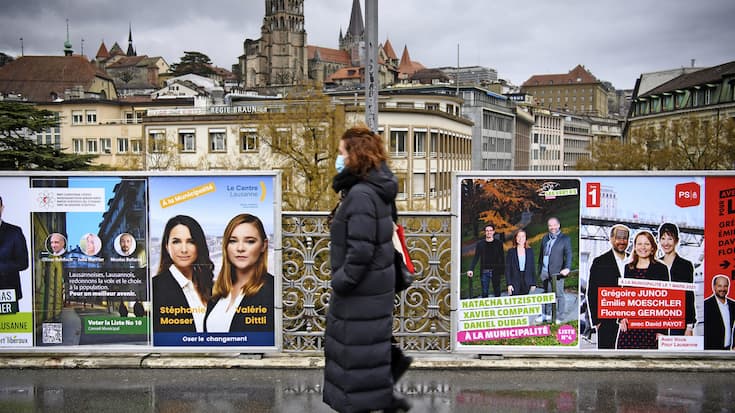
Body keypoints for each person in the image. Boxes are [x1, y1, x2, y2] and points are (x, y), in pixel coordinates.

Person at [323, 125, 410, 413]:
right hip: (374, 288)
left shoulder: (361, 195)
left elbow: (361, 249)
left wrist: (342, 281)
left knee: (355, 360)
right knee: (366, 357)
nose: (338, 159)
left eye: (341, 153)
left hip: (360, 291)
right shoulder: (374, 189)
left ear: (354, 156)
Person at [204, 213, 274, 333]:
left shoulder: (271, 290)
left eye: (250, 241)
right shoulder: (217, 291)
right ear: (226, 246)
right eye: (233, 241)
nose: (240, 248)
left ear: (263, 245)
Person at [152, 215, 214, 334]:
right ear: (166, 246)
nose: (184, 249)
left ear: (198, 246)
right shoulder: (155, 288)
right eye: (176, 242)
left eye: (191, 242)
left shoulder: (211, 287)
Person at [616, 231, 670, 350]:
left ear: (652, 247)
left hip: (652, 327)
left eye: (646, 244)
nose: (643, 247)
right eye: (639, 244)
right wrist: (621, 318)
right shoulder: (628, 268)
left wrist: (662, 330)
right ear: (635, 247)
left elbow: (666, 301)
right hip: (630, 326)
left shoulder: (661, 269)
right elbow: (625, 296)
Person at [587, 224, 630, 349]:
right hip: (606, 321)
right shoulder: (600, 262)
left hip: (631, 320)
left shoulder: (635, 261)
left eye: (625, 238)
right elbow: (592, 292)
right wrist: (597, 321)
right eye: (618, 238)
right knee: (606, 355)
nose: (622, 241)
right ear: (611, 239)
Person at [658, 223, 696, 336]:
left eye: (670, 239)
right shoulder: (654, 264)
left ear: (677, 240)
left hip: (679, 321)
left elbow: (689, 295)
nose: (666, 243)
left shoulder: (686, 265)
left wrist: (689, 326)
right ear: (658, 240)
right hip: (657, 322)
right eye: (663, 238)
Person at [536, 217, 573, 324]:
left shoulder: (565, 239)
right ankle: (547, 314)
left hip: (557, 272)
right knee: (547, 293)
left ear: (558, 225)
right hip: (545, 271)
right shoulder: (545, 238)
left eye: (554, 225)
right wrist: (539, 270)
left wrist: (567, 268)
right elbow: (541, 255)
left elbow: (569, 254)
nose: (552, 227)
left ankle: (560, 317)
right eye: (550, 225)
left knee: (559, 295)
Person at [0, 196, 29, 302]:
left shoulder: (14, 231)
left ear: (2, 208)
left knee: (9, 319)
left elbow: (23, 263)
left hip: (7, 292)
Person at [467, 224, 505, 298]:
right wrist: (471, 269)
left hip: (496, 271)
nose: (489, 232)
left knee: (497, 292)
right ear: (485, 232)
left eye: (490, 230)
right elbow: (476, 257)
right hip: (485, 272)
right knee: (484, 292)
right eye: (487, 231)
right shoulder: (480, 244)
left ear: (493, 232)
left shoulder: (498, 243)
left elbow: (502, 258)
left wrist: (502, 271)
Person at [704, 274, 735, 350]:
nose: (723, 289)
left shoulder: (733, 305)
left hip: (728, 350)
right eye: (720, 286)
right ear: (714, 287)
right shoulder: (706, 305)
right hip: (711, 351)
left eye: (725, 286)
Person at [505, 229, 536, 296]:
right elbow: (508, 269)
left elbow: (532, 267)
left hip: (527, 281)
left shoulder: (530, 251)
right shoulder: (511, 252)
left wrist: (533, 283)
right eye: (518, 236)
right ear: (515, 238)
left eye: (523, 236)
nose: (520, 239)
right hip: (514, 281)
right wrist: (509, 284)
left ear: (525, 238)